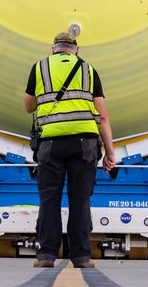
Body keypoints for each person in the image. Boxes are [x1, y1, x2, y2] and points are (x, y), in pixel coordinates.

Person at [24, 31, 116, 269]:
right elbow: (102, 116)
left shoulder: (39, 67)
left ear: (53, 48)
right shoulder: (89, 70)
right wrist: (110, 152)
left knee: (49, 201)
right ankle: (82, 257)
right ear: (77, 48)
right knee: (80, 201)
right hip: (84, 144)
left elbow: (28, 107)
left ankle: (46, 255)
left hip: (50, 144)